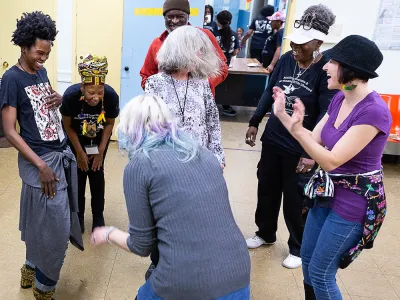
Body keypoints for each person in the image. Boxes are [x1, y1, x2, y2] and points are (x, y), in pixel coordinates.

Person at [91, 94, 251, 300]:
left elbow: (141, 245)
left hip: (185, 280)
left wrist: (108, 233)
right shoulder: (203, 153)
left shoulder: (140, 165)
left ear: (131, 130)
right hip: (238, 272)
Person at [272, 35, 389, 300]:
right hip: (327, 195)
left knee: (322, 273)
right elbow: (314, 141)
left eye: (333, 61)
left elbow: (331, 159)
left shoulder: (374, 111)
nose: (324, 66)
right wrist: (283, 116)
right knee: (308, 261)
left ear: (351, 69)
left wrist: (297, 129)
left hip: (354, 203)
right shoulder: (340, 98)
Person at [244, 4, 337, 269]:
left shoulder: (326, 70)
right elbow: (269, 91)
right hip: (273, 139)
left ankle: (298, 247)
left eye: (302, 45)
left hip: (301, 146)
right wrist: (254, 121)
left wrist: (311, 152)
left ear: (318, 42)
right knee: (267, 189)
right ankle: (265, 233)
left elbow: (326, 114)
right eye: (293, 43)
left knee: (297, 198)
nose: (295, 48)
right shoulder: (286, 59)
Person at [0, 11, 83, 300]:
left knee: (39, 222)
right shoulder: (11, 78)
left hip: (57, 152)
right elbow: (10, 131)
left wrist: (59, 98)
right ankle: (44, 287)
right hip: (41, 162)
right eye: (39, 53)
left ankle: (30, 268)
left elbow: (41, 109)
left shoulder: (41, 72)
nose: (43, 59)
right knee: (57, 231)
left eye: (47, 54)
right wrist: (40, 167)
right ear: (24, 46)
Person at [145, 26, 225, 166]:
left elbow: (212, 122)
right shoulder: (155, 83)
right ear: (181, 52)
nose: (200, 55)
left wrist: (218, 157)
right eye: (197, 51)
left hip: (200, 159)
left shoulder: (201, 82)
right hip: (168, 160)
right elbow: (150, 127)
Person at [61, 54, 120, 233]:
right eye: (90, 92)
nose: (95, 97)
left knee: (96, 173)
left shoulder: (110, 96)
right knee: (78, 175)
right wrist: (79, 152)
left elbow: (109, 123)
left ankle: (98, 216)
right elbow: (68, 125)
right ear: (82, 87)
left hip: (99, 139)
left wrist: (100, 151)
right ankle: (77, 216)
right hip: (76, 139)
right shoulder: (70, 96)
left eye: (99, 92)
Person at [140, 0, 228, 98]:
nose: (174, 21)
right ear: (164, 18)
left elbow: (222, 68)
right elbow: (146, 76)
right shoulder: (157, 43)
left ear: (188, 16)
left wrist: (203, 85)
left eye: (180, 16)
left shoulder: (204, 36)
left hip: (200, 104)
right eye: (170, 16)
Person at [215, 10, 240, 117]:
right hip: (226, 65)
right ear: (230, 21)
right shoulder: (234, 35)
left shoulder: (213, 34)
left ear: (217, 21)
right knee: (227, 85)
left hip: (213, 65)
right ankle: (226, 107)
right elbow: (235, 51)